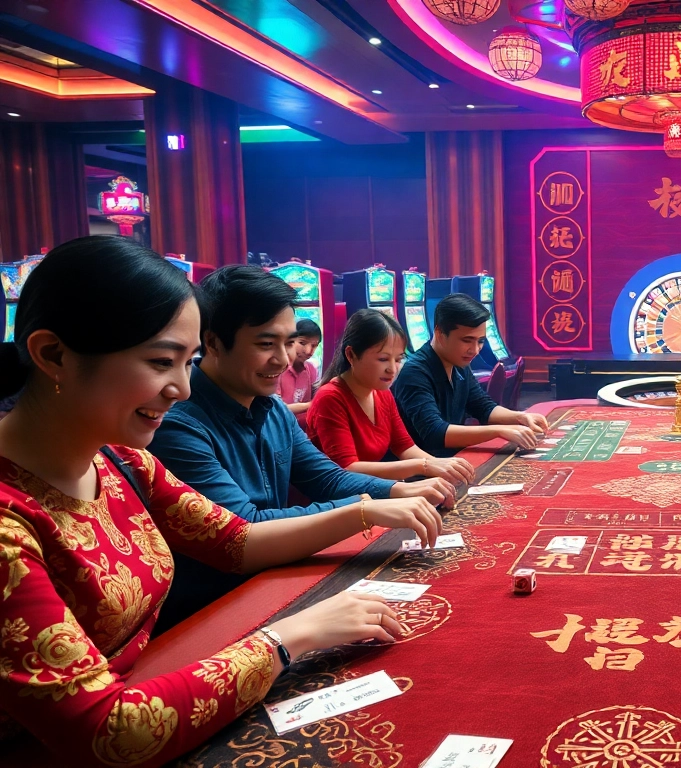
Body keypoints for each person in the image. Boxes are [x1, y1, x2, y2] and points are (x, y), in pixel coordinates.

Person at [0, 237, 447, 766]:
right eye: (161, 361)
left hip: (166, 676)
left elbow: (236, 541)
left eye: (187, 362)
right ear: (54, 355)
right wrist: (288, 638)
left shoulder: (121, 462)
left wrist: (374, 505)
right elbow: (109, 731)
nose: (182, 389)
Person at [147, 266, 452, 624]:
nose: (284, 358)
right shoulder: (175, 423)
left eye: (288, 342)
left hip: (272, 582)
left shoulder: (273, 409)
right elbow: (244, 530)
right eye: (265, 344)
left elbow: (329, 479)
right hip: (211, 612)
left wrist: (399, 490)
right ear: (212, 342)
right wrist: (364, 509)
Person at [307, 309, 476, 485]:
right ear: (351, 355)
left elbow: (405, 447)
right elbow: (348, 468)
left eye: (398, 359)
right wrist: (424, 466)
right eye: (383, 359)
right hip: (338, 502)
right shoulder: (330, 398)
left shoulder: (382, 393)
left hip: (368, 489)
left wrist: (440, 465)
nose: (392, 369)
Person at [394, 293, 548, 456]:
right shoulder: (414, 372)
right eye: (467, 340)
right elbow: (434, 433)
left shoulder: (458, 363)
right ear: (440, 334)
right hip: (420, 472)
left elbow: (483, 407)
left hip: (451, 461)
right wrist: (499, 431)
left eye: (480, 341)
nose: (474, 350)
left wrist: (520, 417)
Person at [278, 318, 320, 416]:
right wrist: (311, 404)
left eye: (314, 345)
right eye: (302, 343)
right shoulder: (276, 370)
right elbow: (277, 409)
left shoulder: (311, 369)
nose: (308, 351)